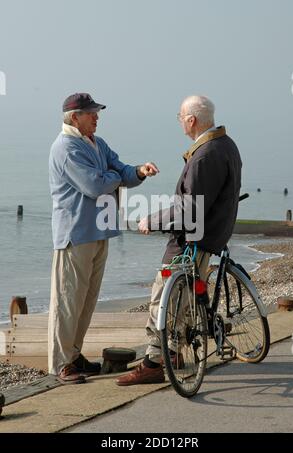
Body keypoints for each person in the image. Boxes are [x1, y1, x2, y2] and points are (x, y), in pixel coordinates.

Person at [116, 95, 242, 386]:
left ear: (191, 120)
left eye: (180, 117)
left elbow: (189, 209)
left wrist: (151, 220)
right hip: (211, 234)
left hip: (191, 241)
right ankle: (170, 353)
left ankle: (153, 363)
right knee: (183, 302)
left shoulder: (206, 154)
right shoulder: (226, 144)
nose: (179, 122)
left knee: (163, 300)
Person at [48, 92, 159, 384]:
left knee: (86, 299)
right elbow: (93, 185)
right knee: (68, 300)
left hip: (99, 230)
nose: (97, 117)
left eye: (97, 112)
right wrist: (119, 177)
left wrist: (137, 171)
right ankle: (62, 363)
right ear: (75, 117)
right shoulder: (65, 148)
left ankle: (74, 355)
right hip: (75, 234)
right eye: (91, 113)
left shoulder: (98, 143)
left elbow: (119, 168)